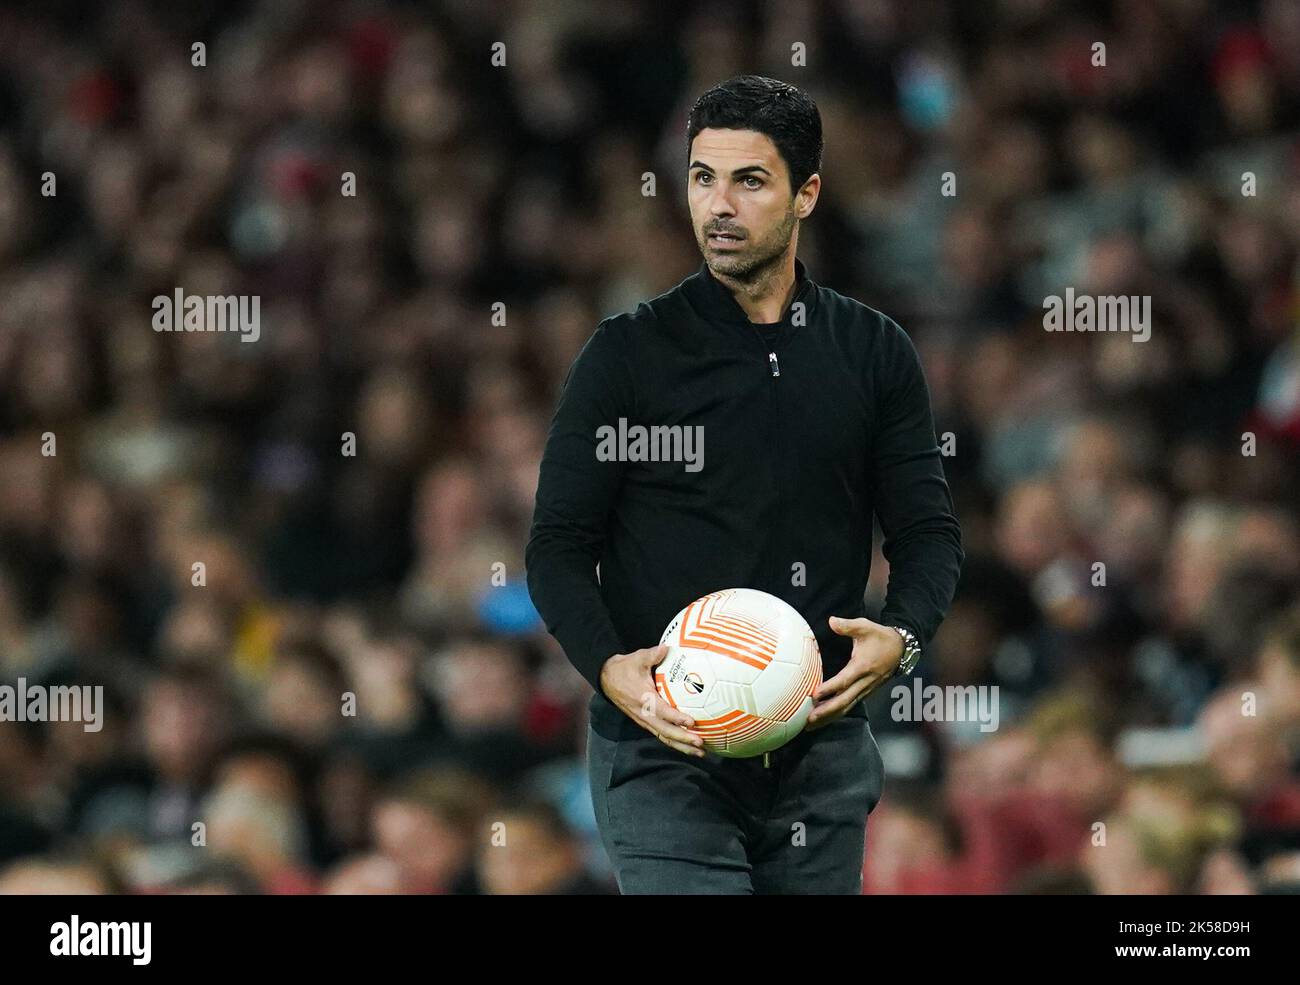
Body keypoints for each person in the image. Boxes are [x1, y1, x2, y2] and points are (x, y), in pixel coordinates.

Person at [526, 75, 963, 894]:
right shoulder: (627, 355)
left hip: (819, 748)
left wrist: (901, 636)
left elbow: (927, 533)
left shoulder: (874, 352)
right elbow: (556, 545)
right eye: (701, 177)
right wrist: (609, 665)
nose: (717, 205)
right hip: (665, 746)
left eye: (749, 180)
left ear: (807, 194)